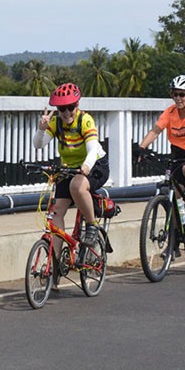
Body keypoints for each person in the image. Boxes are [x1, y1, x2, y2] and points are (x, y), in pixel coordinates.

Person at [32, 83, 110, 273]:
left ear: (77, 105)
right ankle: (56, 264)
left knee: (77, 186)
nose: (66, 112)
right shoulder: (56, 122)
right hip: (69, 168)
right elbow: (38, 145)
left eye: (70, 107)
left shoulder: (85, 120)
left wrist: (86, 166)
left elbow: (92, 149)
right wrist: (41, 129)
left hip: (95, 165)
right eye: (61, 108)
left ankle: (91, 225)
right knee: (56, 211)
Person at [133, 75, 185, 224]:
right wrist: (141, 148)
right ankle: (176, 238)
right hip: (179, 154)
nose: (178, 98)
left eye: (182, 94)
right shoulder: (170, 113)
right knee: (174, 196)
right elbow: (155, 131)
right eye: (175, 94)